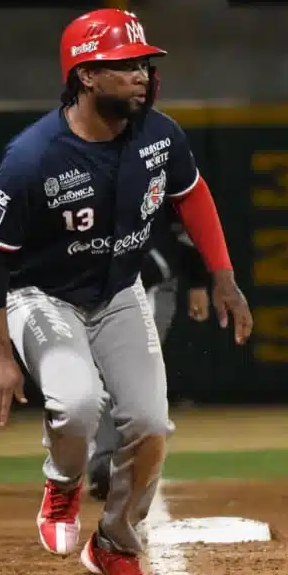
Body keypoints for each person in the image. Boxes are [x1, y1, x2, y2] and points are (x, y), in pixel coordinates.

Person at [0, 8, 253, 575]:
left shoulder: (159, 135)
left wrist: (222, 276)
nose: (142, 75)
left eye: (144, 64)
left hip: (119, 291)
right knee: (77, 402)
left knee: (150, 425)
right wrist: (0, 355)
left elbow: (193, 196)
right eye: (125, 65)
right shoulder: (32, 158)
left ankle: (115, 547)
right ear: (85, 77)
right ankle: (62, 482)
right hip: (41, 295)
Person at [86, 212, 211, 502]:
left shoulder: (163, 166)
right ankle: (107, 464)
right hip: (97, 277)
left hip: (150, 277)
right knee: (103, 373)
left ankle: (123, 463)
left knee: (133, 372)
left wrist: (198, 282)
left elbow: (188, 222)